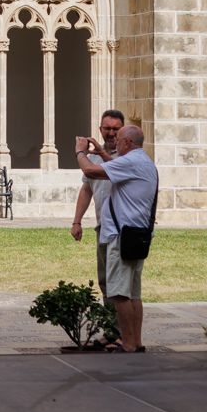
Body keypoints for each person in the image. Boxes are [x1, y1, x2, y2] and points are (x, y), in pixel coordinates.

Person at [75, 125, 158, 353]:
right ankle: (137, 341)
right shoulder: (144, 161)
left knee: (119, 294)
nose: (116, 143)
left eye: (119, 139)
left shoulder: (130, 162)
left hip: (121, 237)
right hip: (137, 236)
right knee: (134, 294)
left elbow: (91, 172)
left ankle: (128, 344)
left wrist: (80, 152)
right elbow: (110, 166)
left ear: (128, 143)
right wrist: (102, 153)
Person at [70, 109, 125, 312]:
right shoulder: (94, 157)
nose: (111, 133)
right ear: (100, 129)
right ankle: (111, 330)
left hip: (122, 230)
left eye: (116, 129)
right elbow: (87, 188)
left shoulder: (126, 157)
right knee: (105, 281)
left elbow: (91, 171)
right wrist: (77, 221)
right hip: (103, 226)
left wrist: (80, 152)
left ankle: (121, 334)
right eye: (107, 128)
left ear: (123, 130)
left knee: (120, 284)